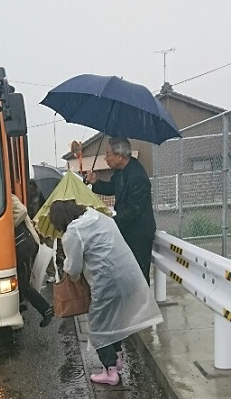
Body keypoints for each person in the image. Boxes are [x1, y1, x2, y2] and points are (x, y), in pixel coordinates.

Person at [49, 199, 163, 385]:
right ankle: (117, 360)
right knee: (114, 321)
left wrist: (66, 265)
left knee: (97, 327)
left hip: (107, 282)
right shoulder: (98, 217)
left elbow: (74, 269)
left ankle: (110, 372)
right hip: (129, 275)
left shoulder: (73, 233)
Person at [85, 137, 156, 285]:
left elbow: (133, 211)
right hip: (127, 230)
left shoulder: (137, 176)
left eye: (108, 154)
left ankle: (143, 306)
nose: (106, 158)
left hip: (138, 235)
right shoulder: (121, 172)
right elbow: (111, 188)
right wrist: (95, 182)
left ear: (120, 155)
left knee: (138, 276)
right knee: (126, 275)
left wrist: (108, 223)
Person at [12, 194, 54, 328]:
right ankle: (19, 305)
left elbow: (22, 211)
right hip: (23, 245)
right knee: (21, 279)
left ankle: (46, 309)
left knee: (24, 283)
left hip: (24, 245)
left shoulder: (9, 196)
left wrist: (7, 227)